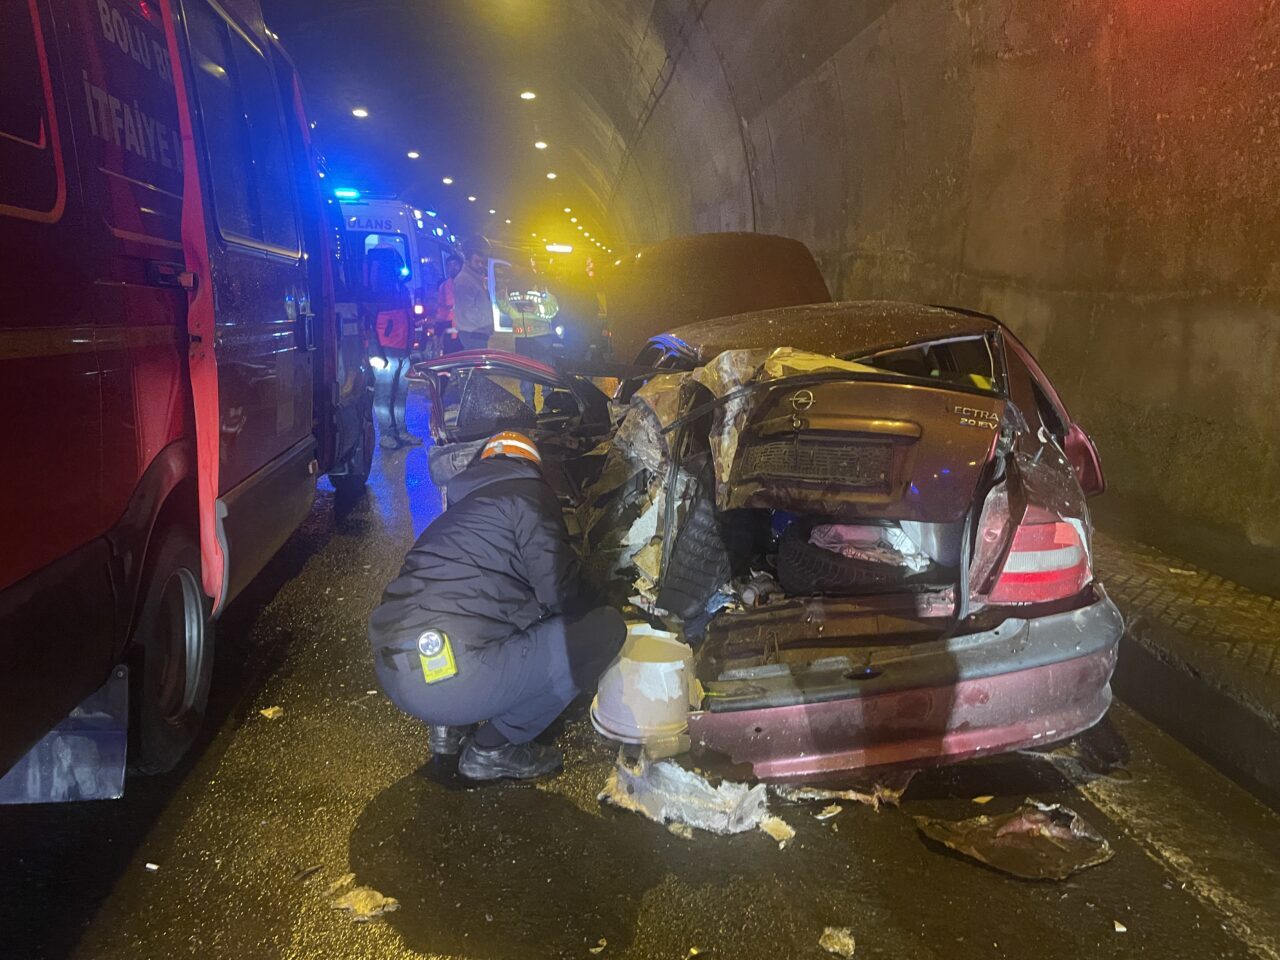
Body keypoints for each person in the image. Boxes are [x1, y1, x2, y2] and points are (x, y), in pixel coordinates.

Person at [368, 431, 627, 780]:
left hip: (396, 672)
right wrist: (601, 600)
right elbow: (559, 591)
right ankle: (494, 748)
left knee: (481, 618)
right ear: (530, 464)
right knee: (602, 630)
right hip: (450, 682)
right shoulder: (528, 496)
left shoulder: (459, 513)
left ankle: (448, 727)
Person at [366, 247, 420, 449]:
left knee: (400, 394)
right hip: (386, 351)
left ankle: (401, 431)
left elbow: (407, 319)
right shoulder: (377, 292)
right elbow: (370, 325)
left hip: (402, 351)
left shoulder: (400, 289)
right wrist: (375, 352)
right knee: (384, 395)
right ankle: (387, 434)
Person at [452, 236, 494, 352]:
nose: (481, 265)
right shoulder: (464, 280)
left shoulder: (475, 278)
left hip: (477, 332)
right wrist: (485, 322)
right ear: (468, 260)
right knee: (475, 368)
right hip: (473, 333)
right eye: (477, 261)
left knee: (476, 368)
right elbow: (469, 311)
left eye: (482, 262)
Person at [436, 253, 464, 354]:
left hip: (467, 331)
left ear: (461, 266)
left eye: (455, 265)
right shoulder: (443, 287)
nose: (452, 268)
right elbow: (441, 310)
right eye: (449, 265)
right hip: (450, 331)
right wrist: (439, 333)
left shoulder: (469, 284)